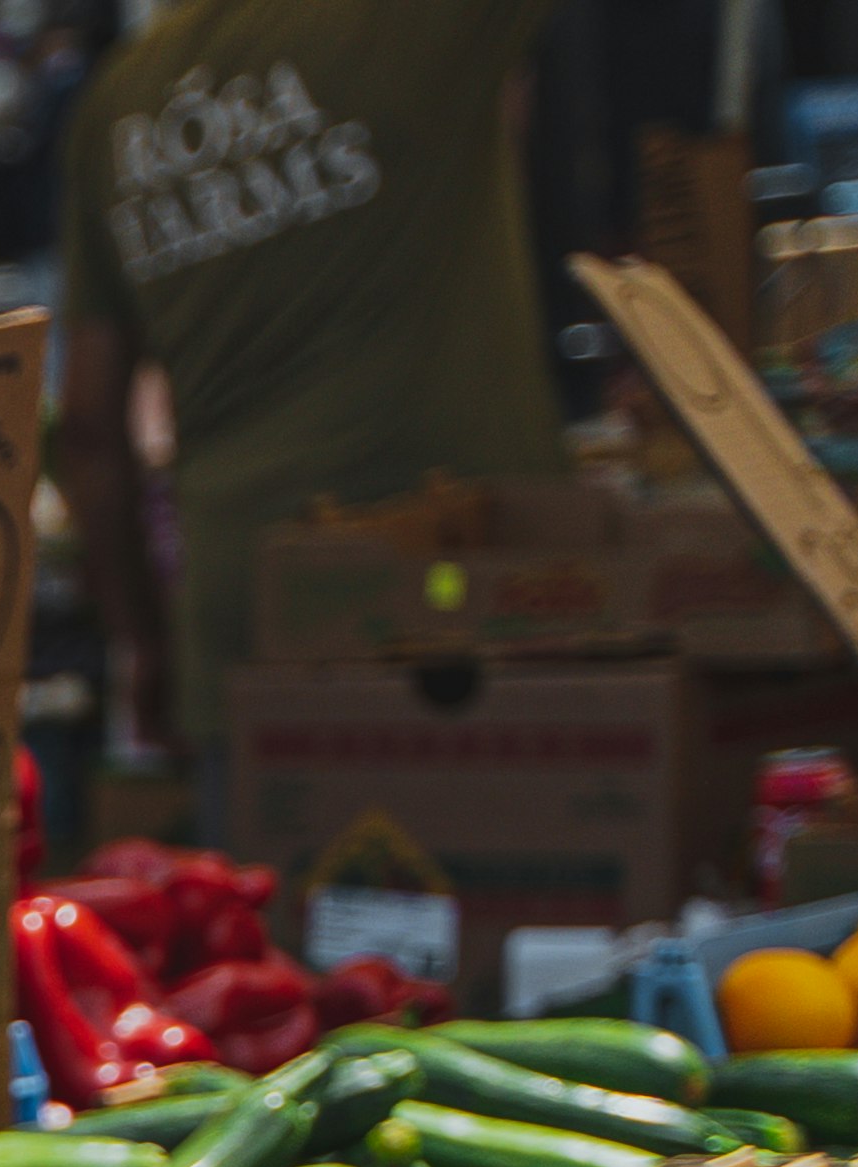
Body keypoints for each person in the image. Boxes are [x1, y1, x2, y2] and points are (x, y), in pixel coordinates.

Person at [59, 0, 558, 760]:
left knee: (269, 881)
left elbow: (91, 424)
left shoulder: (117, 105)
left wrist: (147, 642)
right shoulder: (401, 22)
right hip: (465, 580)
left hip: (245, 616)